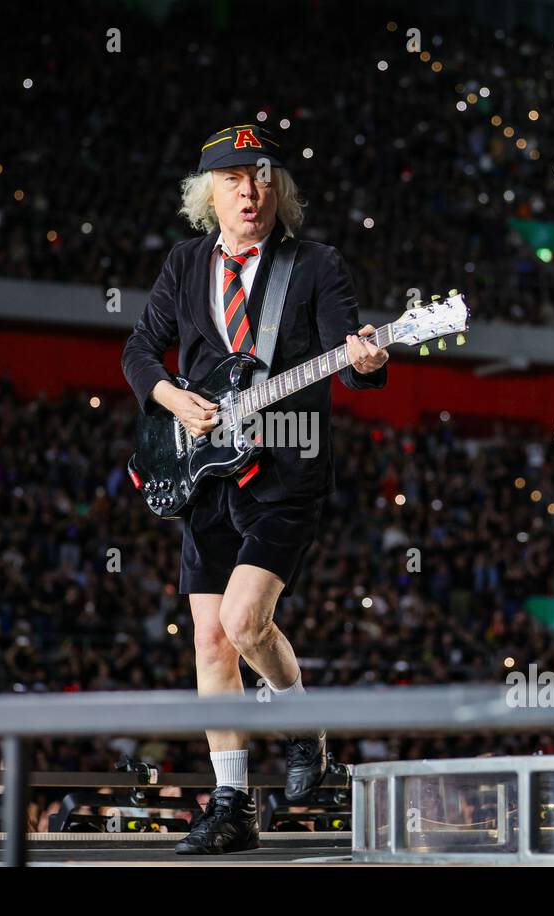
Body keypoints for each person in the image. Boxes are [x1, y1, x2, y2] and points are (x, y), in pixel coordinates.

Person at [121, 123, 390, 854]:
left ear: (280, 190)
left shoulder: (315, 264)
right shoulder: (184, 264)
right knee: (209, 639)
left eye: (263, 177)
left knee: (244, 623)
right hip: (206, 476)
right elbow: (140, 349)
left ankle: (302, 725)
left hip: (286, 474)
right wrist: (172, 398)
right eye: (235, 178)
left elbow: (345, 346)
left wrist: (363, 360)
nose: (250, 190)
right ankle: (232, 803)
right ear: (208, 193)